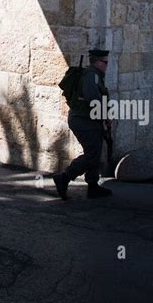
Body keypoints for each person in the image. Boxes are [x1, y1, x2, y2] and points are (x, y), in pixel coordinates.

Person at [53, 48, 113, 200]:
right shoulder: (91, 76)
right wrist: (105, 116)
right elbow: (93, 99)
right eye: (105, 62)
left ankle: (92, 186)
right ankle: (65, 177)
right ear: (98, 63)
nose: (107, 65)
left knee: (95, 151)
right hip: (83, 120)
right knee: (92, 154)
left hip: (88, 119)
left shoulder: (95, 75)